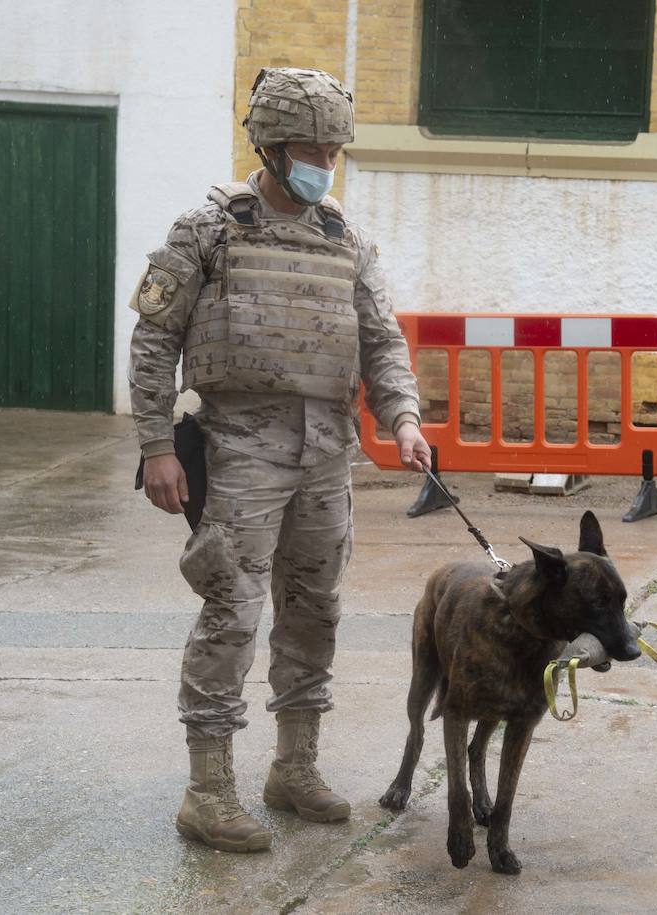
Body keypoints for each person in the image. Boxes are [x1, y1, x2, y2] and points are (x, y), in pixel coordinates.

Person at [127, 67, 430, 853]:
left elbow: (381, 339)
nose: (325, 160)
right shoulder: (210, 227)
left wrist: (403, 417)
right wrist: (157, 445)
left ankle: (294, 766)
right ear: (268, 141)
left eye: (334, 148)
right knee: (233, 607)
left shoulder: (344, 237)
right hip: (238, 447)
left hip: (327, 450)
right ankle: (208, 787)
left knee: (316, 608)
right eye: (311, 145)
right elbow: (155, 338)